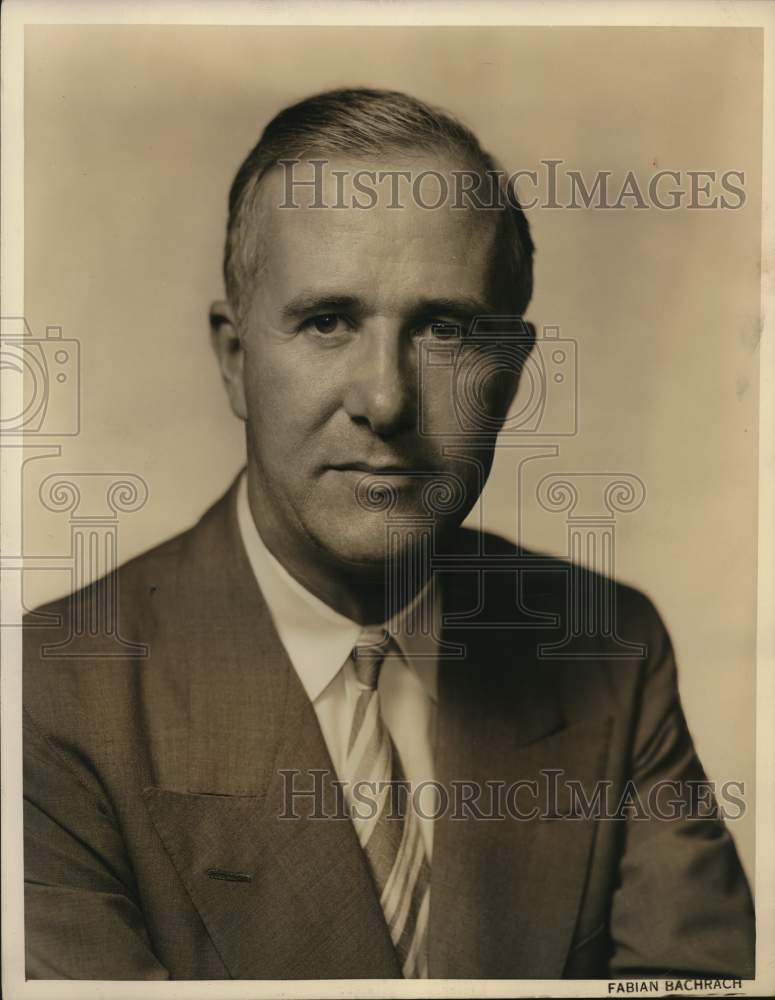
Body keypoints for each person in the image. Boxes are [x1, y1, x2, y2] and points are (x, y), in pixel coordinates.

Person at [23, 88, 754, 981]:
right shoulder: (48, 696)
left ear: (510, 374)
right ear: (234, 358)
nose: (385, 401)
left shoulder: (609, 649)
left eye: (443, 330)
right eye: (328, 322)